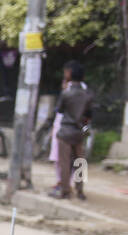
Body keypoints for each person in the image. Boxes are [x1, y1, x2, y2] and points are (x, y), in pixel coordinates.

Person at [50, 60, 93, 200]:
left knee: (65, 163)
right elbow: (89, 114)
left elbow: (59, 109)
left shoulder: (66, 94)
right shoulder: (87, 94)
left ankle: (65, 191)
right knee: (80, 163)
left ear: (69, 73)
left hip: (65, 131)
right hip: (79, 132)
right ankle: (80, 191)